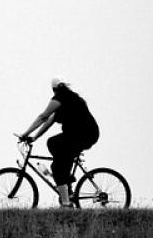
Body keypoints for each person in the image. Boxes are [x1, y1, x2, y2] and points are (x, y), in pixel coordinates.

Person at [18, 77, 100, 207]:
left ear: (54, 90)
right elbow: (49, 121)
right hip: (86, 134)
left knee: (56, 164)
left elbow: (43, 117)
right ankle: (67, 183)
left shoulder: (60, 98)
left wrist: (25, 134)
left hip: (81, 135)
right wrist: (34, 137)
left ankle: (66, 202)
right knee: (56, 149)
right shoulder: (71, 99)